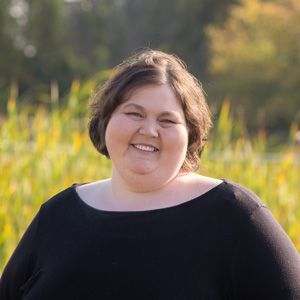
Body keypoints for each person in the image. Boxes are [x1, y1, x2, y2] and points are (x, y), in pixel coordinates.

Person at [0, 49, 300, 300]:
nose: (149, 130)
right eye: (134, 113)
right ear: (105, 122)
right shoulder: (57, 216)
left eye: (167, 120)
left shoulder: (235, 215)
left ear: (192, 135)